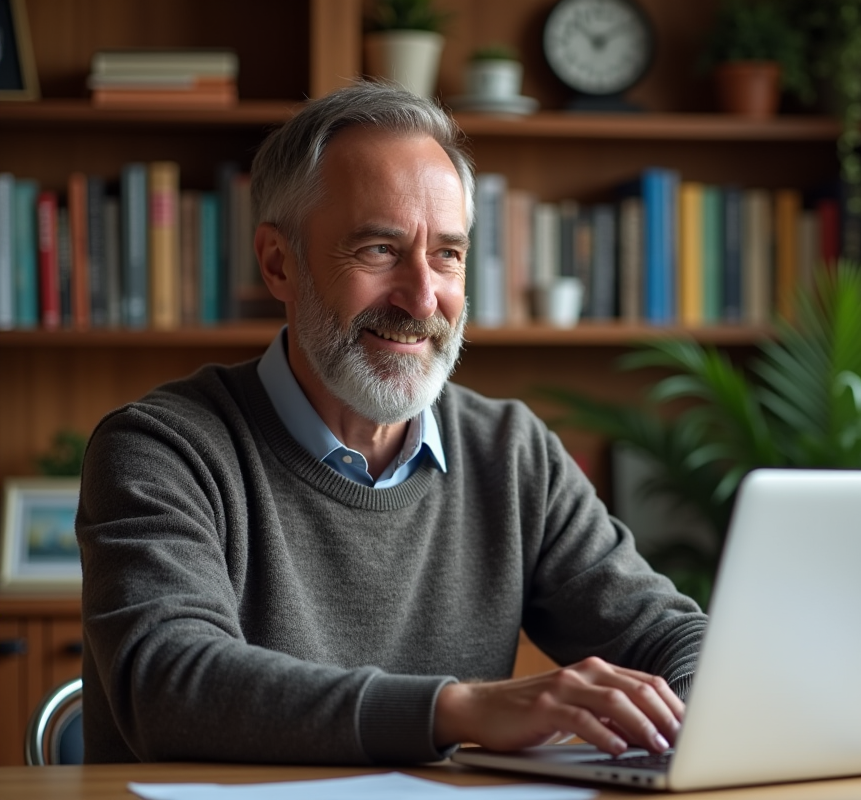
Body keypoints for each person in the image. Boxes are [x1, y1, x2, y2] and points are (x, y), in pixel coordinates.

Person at [77, 83, 706, 766]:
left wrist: (692, 704)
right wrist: (457, 709)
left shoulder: (512, 453)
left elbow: (672, 637)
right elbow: (168, 685)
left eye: (448, 254)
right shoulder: (161, 449)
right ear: (278, 262)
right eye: (379, 250)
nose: (422, 296)